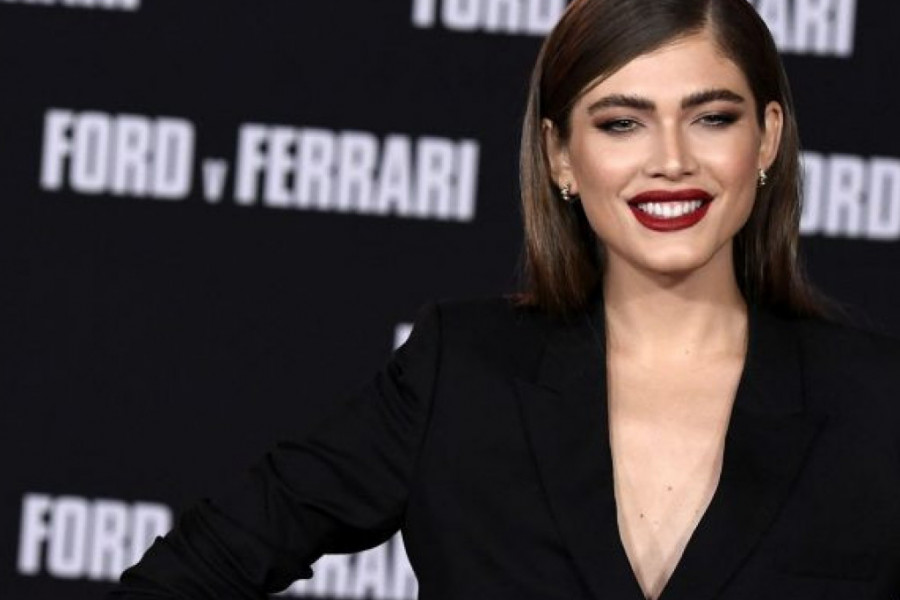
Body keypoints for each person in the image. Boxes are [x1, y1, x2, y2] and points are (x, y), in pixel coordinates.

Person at [109, 0, 900, 598]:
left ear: (766, 138)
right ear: (560, 156)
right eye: (621, 123)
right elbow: (199, 568)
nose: (671, 159)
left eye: (711, 118)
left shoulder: (877, 401)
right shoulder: (461, 371)